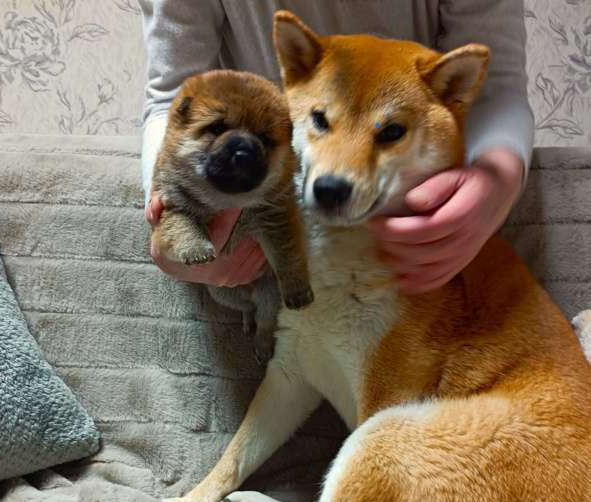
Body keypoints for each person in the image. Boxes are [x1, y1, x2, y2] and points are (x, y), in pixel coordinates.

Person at [139, 1, 533, 295]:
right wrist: (171, 212)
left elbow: (493, 87)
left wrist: (498, 178)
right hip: (259, 237)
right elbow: (173, 98)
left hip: (413, 248)